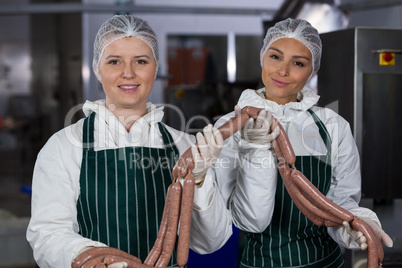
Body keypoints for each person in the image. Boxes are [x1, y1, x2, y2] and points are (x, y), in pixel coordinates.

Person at [26, 15, 232, 268]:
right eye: (114, 62)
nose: (128, 73)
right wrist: (89, 256)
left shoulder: (185, 146)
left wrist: (200, 181)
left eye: (140, 61)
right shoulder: (64, 146)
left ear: (155, 68)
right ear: (97, 69)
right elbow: (47, 234)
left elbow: (211, 242)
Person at [214, 18, 393, 267]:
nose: (283, 71)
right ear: (262, 57)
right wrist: (252, 152)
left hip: (326, 263)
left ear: (313, 71)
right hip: (260, 263)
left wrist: (354, 225)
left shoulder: (333, 126)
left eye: (298, 63)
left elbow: (341, 201)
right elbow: (238, 218)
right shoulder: (229, 127)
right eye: (275, 57)